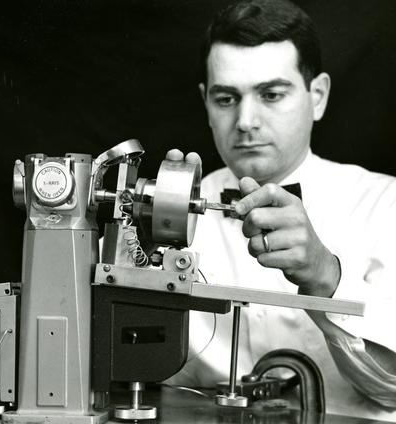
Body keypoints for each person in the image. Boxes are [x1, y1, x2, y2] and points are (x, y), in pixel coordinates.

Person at [165, 0, 396, 420]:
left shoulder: (386, 206)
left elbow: (393, 392)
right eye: (226, 98)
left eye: (271, 94)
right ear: (206, 102)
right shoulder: (159, 212)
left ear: (318, 96)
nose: (246, 120)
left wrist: (326, 277)